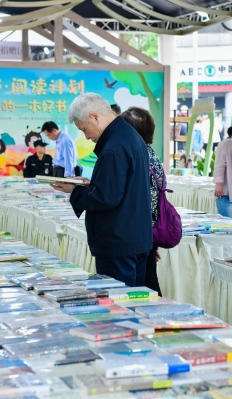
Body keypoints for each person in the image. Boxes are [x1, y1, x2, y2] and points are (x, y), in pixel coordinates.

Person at [51, 93, 152, 287]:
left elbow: (107, 198)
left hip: (118, 242)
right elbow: (121, 186)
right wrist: (90, 184)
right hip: (132, 237)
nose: (86, 136)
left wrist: (74, 190)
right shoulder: (127, 136)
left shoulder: (114, 146)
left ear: (95, 117)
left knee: (118, 307)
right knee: (132, 304)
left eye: (85, 129)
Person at [122, 106, 163, 296]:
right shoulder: (151, 154)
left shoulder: (136, 156)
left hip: (136, 233)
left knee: (141, 291)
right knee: (147, 285)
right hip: (146, 233)